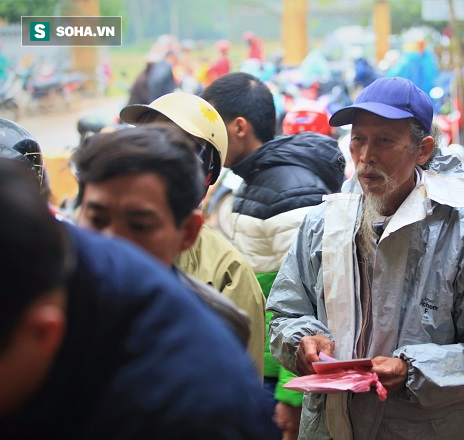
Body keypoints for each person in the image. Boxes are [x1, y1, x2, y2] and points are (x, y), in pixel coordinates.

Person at [267, 76, 464, 439]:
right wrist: (303, 340)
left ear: (423, 150)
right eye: (358, 140)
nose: (366, 156)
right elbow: (286, 312)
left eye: (384, 141)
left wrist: (412, 370)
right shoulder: (322, 224)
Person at [0, 158, 278, 439]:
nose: (113, 238)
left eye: (140, 225)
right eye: (96, 218)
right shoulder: (43, 259)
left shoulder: (197, 399)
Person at [201, 72, 345, 439]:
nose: (206, 139)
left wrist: (289, 395)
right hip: (261, 365)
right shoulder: (255, 177)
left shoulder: (287, 191)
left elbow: (312, 299)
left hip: (280, 376)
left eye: (211, 125)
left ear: (238, 127)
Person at [119, 92, 267, 378]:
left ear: (205, 170)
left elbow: (237, 392)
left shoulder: (228, 271)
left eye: (172, 148)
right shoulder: (95, 241)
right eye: (144, 141)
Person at [71, 125, 251, 348]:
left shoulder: (213, 341)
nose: (111, 242)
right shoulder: (47, 304)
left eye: (138, 226)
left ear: (187, 232)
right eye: (97, 220)